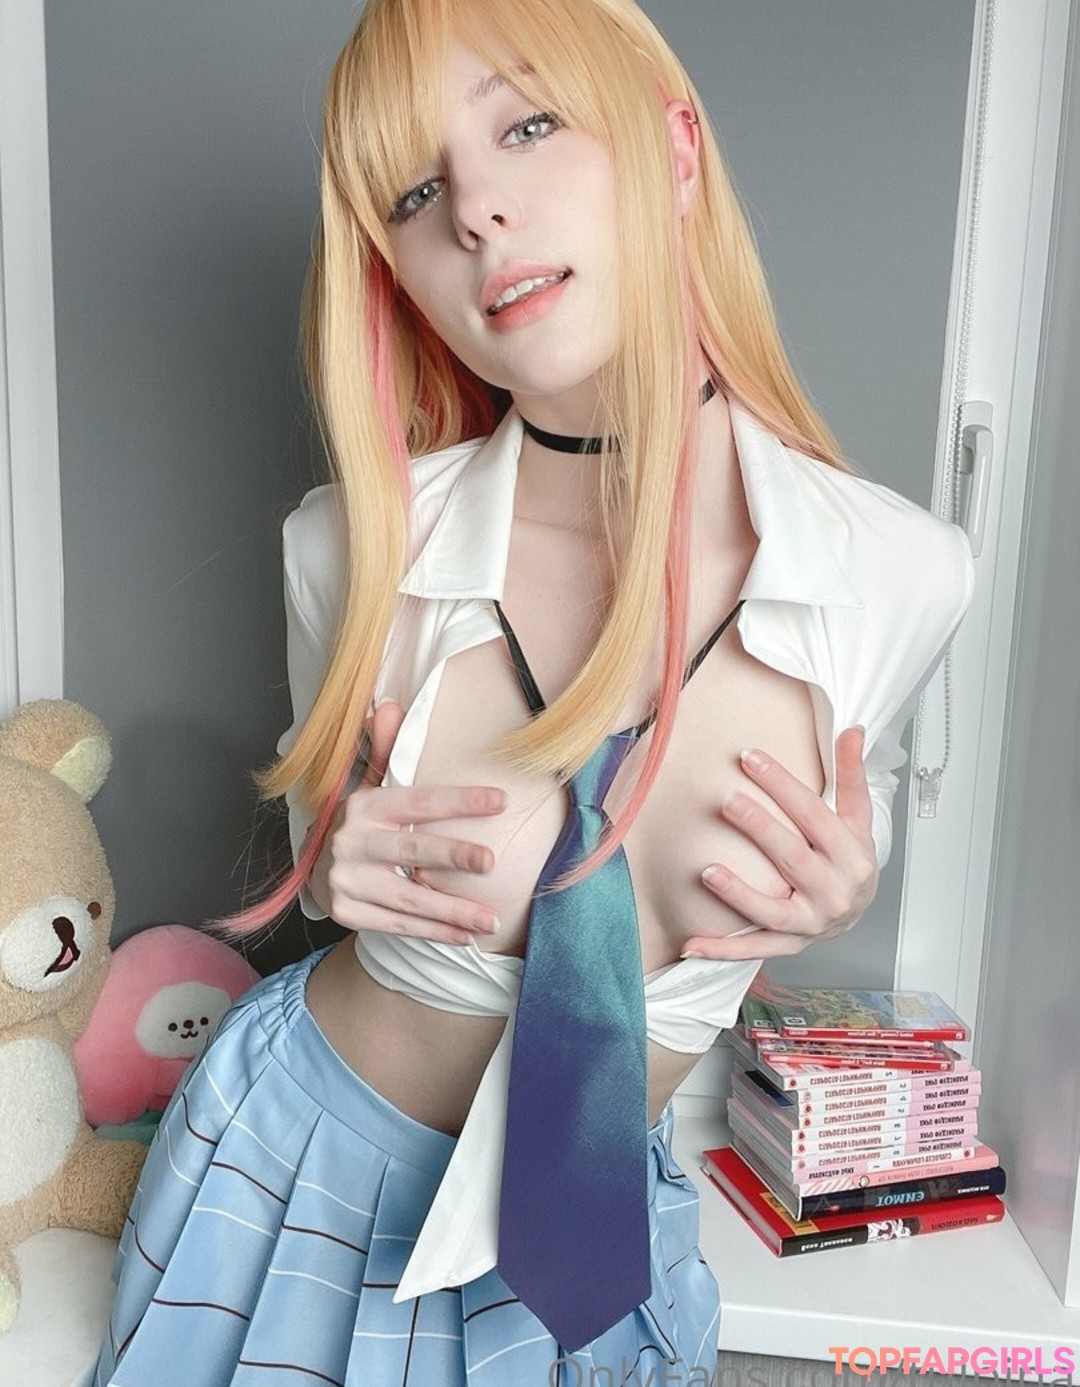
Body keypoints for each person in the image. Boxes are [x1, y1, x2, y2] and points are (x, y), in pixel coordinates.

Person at [91, 1, 975, 1383]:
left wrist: (834, 901)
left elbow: (677, 947)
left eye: (527, 125)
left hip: (594, 1254)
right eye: (416, 193)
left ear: (674, 150)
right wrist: (332, 867)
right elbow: (336, 868)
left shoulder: (905, 577)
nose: (477, 214)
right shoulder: (348, 549)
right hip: (291, 1181)